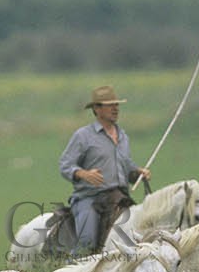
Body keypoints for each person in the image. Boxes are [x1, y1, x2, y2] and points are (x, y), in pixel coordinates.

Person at [58, 85, 151, 255]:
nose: (115, 108)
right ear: (96, 109)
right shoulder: (83, 136)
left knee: (139, 237)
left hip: (119, 199)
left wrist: (137, 173)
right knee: (87, 242)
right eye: (110, 105)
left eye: (117, 104)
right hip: (90, 199)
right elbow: (65, 165)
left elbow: (126, 167)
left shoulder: (123, 136)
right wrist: (83, 173)